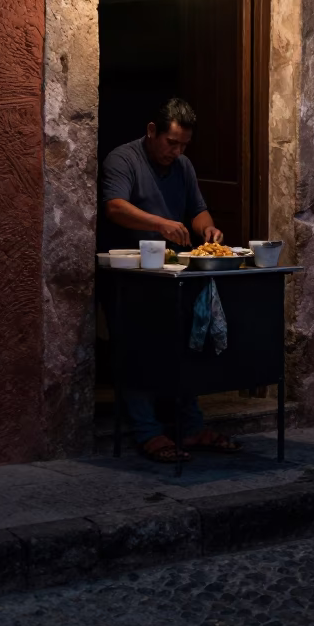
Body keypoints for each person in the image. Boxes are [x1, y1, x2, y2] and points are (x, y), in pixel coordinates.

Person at [101, 97, 241, 463]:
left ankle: (191, 426)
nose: (175, 151)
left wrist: (207, 228)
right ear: (152, 131)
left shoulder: (184, 167)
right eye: (171, 143)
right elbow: (114, 207)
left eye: (183, 145)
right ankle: (148, 432)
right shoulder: (123, 159)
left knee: (180, 348)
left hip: (171, 276)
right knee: (135, 351)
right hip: (129, 276)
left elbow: (197, 210)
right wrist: (159, 223)